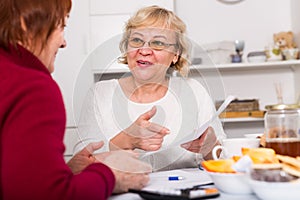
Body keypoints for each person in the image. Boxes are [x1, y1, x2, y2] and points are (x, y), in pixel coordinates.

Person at [0, 0, 151, 199]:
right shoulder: (33, 87)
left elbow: (17, 179)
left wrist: (66, 171)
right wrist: (112, 176)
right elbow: (46, 194)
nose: (64, 42)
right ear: (25, 24)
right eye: (61, 27)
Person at [75, 5, 226, 171]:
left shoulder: (195, 91)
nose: (144, 50)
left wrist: (210, 146)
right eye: (137, 40)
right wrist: (126, 140)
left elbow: (224, 162)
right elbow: (80, 165)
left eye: (158, 43)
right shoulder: (100, 93)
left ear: (175, 55)